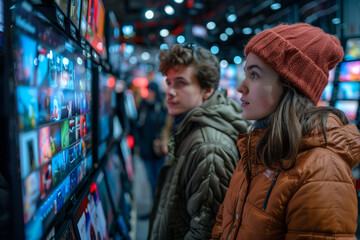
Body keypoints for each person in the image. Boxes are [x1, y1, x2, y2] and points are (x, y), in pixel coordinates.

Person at [211, 23, 360, 240]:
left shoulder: (323, 171)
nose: (240, 87)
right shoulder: (255, 149)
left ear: (290, 86)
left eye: (254, 74)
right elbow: (223, 223)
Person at [147, 43, 252, 240]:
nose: (170, 91)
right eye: (169, 83)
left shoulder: (209, 147)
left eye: (180, 83)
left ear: (207, 90)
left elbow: (205, 231)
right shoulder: (190, 126)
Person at [135, 81, 167, 198]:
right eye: (148, 91)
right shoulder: (143, 106)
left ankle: (158, 206)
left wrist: (162, 141)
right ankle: (154, 207)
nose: (149, 94)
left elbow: (165, 126)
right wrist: (139, 144)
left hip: (158, 151)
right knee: (151, 181)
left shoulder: (161, 106)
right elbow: (137, 126)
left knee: (159, 181)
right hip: (145, 150)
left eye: (151, 91)